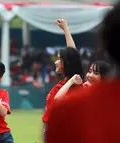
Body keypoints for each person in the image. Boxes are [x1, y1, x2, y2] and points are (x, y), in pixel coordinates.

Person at [46, 2, 120, 143]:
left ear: (104, 42)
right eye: (90, 72)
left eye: (60, 59)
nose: (56, 62)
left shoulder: (70, 106)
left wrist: (66, 30)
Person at [42, 19, 84, 142]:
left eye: (59, 59)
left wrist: (71, 82)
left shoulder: (73, 83)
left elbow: (57, 102)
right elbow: (72, 53)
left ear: (67, 63)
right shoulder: (65, 83)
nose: (55, 62)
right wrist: (66, 29)